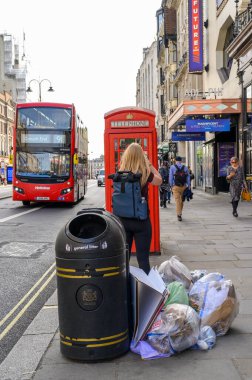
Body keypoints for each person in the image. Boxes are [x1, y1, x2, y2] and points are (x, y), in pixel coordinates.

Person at [118, 143, 162, 274]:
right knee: (143, 260)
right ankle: (146, 292)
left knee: (123, 260)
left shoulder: (120, 173)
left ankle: (124, 290)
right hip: (141, 221)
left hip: (123, 221)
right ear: (141, 156)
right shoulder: (144, 173)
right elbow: (159, 180)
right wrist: (149, 164)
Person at [169, 156, 191, 221]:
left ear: (175, 160)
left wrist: (171, 185)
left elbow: (170, 177)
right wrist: (188, 185)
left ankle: (179, 214)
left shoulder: (172, 167)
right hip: (184, 186)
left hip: (175, 186)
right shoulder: (185, 168)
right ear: (181, 161)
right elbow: (188, 177)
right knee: (181, 201)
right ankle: (179, 213)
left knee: (178, 200)